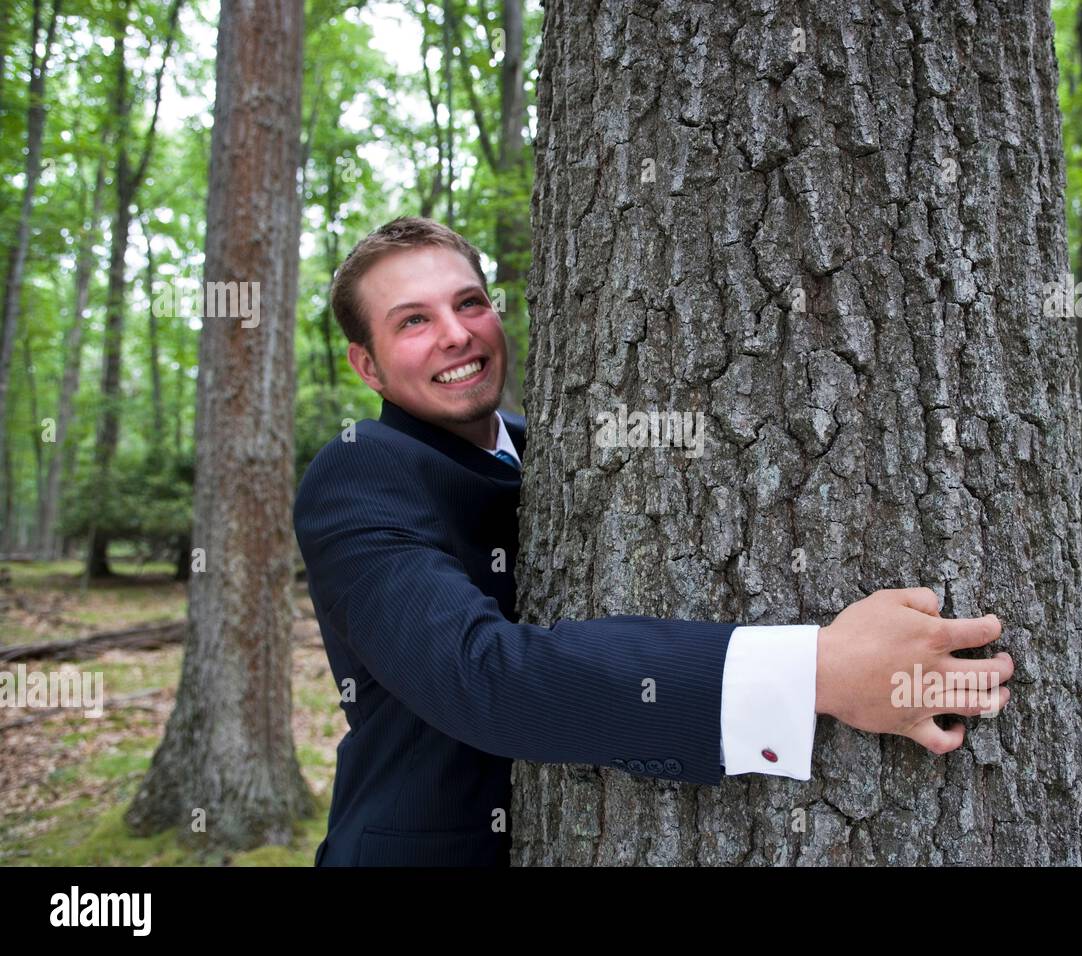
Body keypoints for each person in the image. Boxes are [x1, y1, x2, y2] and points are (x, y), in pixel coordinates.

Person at [293, 217, 1014, 866]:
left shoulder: (554, 447)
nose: (456, 334)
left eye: (470, 303)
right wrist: (817, 670)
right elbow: (484, 676)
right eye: (413, 321)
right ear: (367, 365)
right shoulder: (360, 469)